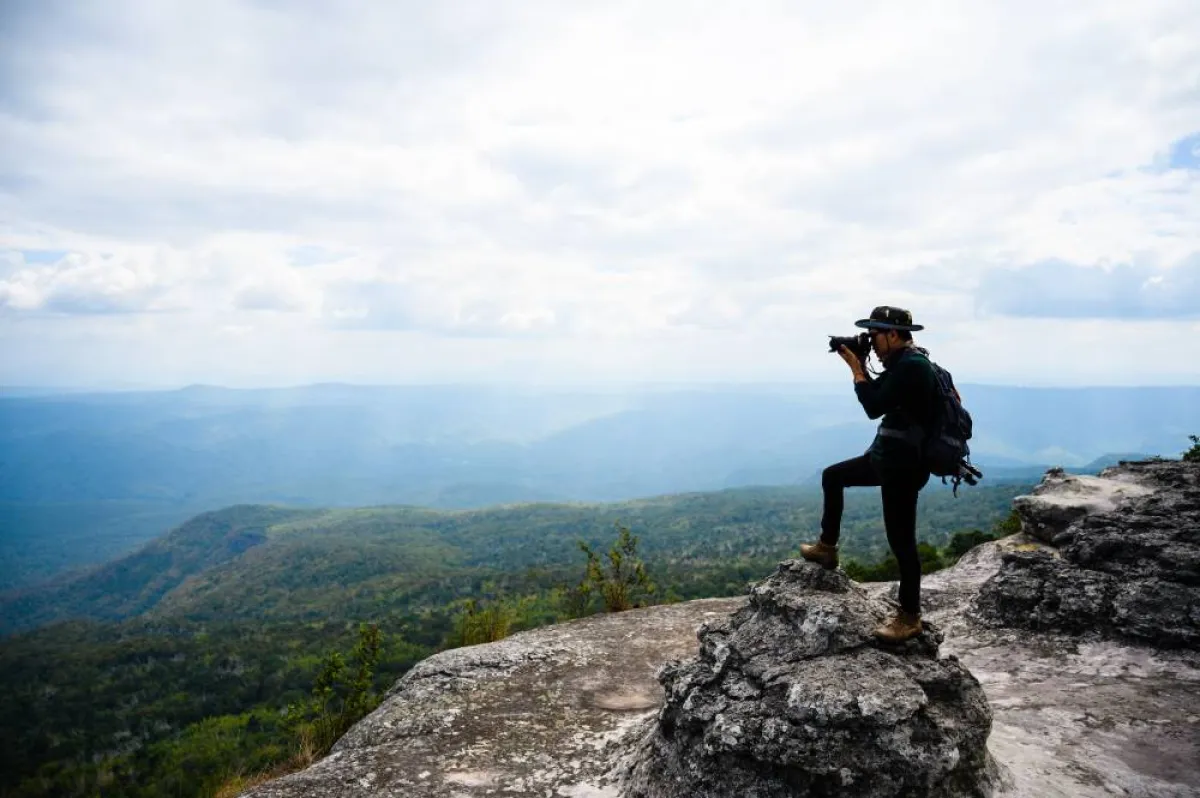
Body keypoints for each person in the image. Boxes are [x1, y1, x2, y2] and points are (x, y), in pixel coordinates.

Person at [799, 305, 937, 643]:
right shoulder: (904, 363)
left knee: (901, 542)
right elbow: (884, 397)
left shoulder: (913, 367)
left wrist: (856, 369)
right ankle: (826, 547)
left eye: (875, 335)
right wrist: (863, 366)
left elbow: (873, 406)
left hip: (903, 468)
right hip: (886, 458)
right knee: (833, 476)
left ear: (893, 334)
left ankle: (909, 617)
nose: (871, 341)